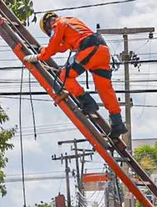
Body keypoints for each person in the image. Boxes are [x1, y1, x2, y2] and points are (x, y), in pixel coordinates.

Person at [24, 11, 127, 139]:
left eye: (49, 31)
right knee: (104, 89)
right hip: (102, 50)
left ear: (49, 23)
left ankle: (88, 102)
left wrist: (39, 56)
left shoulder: (59, 24)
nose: (51, 32)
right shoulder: (70, 22)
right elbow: (61, 47)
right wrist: (43, 50)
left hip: (90, 48)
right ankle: (117, 122)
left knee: (65, 76)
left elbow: (54, 46)